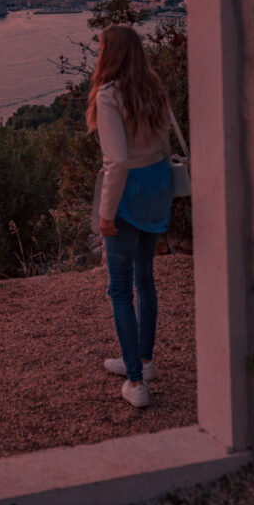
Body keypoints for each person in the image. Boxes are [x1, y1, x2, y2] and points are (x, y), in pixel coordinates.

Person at [86, 24, 173, 409]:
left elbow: (116, 161)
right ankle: (144, 360)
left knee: (120, 288)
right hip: (158, 183)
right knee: (145, 278)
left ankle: (136, 383)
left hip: (128, 191)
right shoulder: (153, 89)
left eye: (101, 47)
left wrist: (106, 214)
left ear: (111, 53)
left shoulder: (108, 96)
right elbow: (166, 143)